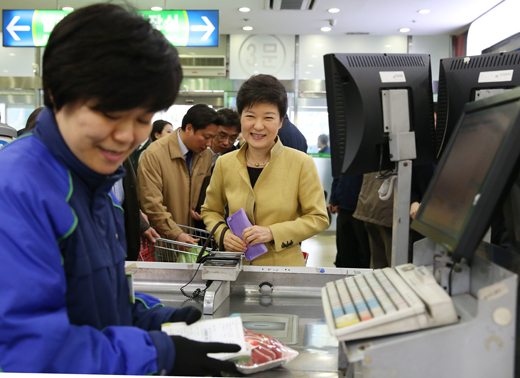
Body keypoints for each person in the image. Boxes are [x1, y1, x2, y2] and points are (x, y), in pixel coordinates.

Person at [0, 4, 239, 375]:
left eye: (142, 119)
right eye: (110, 115)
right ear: (56, 95)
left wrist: (161, 319)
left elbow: (102, 302)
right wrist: (159, 353)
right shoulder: (15, 192)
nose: (127, 136)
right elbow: (26, 349)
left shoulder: (97, 184)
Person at [201, 74, 329, 266]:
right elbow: (210, 210)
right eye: (250, 116)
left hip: (283, 269)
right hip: (235, 266)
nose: (258, 125)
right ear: (241, 118)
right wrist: (223, 234)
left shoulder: (301, 163)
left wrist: (272, 232)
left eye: (268, 117)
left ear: (280, 122)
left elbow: (318, 218)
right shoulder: (225, 163)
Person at [138, 103, 221, 245]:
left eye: (212, 138)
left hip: (193, 240)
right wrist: (175, 234)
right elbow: (151, 202)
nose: (209, 143)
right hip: (164, 241)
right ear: (189, 128)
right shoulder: (154, 154)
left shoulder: (205, 156)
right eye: (206, 137)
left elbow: (205, 193)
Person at [329, 174, 371, 268]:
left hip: (363, 208)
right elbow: (337, 174)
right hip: (343, 208)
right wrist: (333, 199)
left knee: (364, 253)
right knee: (344, 252)